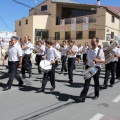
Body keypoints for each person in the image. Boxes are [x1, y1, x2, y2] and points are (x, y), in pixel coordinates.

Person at [75, 37, 105, 103]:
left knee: (96, 82)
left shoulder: (100, 51)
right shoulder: (89, 50)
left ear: (97, 42)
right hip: (89, 67)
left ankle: (96, 94)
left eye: (93, 41)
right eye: (91, 41)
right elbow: (87, 58)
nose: (91, 43)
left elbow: (103, 60)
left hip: (96, 68)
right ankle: (82, 97)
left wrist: (97, 60)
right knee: (86, 83)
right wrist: (85, 61)